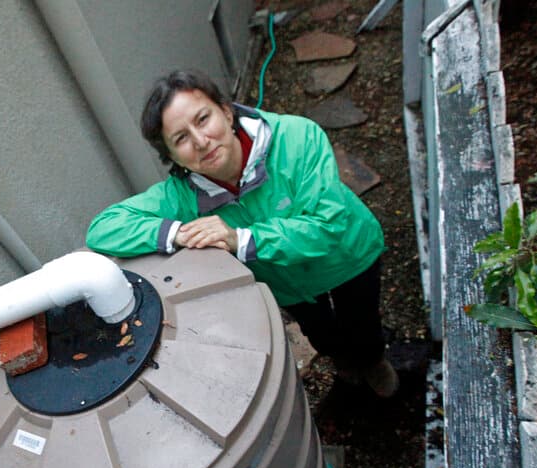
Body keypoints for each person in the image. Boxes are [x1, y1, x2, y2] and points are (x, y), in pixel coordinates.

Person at [86, 69, 398, 397]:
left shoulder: (297, 138)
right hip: (291, 285)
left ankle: (374, 362)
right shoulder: (183, 195)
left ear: (226, 110)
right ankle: (345, 364)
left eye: (203, 119)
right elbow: (104, 228)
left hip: (348, 257)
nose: (201, 141)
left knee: (361, 321)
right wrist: (177, 231)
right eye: (181, 139)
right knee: (319, 332)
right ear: (172, 157)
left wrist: (242, 238)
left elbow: (328, 225)